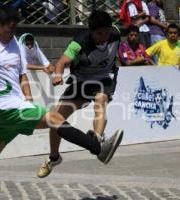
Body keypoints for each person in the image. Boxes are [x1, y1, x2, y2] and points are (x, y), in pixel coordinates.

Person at [0, 6, 123, 185]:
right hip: (5, 109)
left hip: (12, 110)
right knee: (56, 118)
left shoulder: (14, 43)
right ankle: (98, 149)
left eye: (15, 28)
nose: (14, 32)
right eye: (10, 28)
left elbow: (22, 74)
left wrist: (27, 99)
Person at [36, 10, 124, 178]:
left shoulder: (116, 33)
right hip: (81, 81)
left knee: (101, 100)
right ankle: (54, 157)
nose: (104, 37)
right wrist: (58, 75)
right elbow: (62, 61)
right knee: (56, 117)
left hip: (105, 78)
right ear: (90, 31)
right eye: (99, 34)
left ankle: (97, 140)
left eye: (106, 32)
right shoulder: (79, 41)